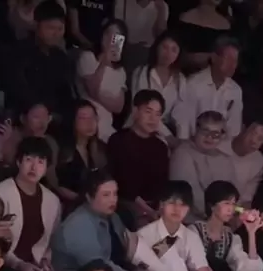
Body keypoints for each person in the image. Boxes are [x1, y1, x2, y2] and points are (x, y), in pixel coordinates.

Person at [135, 179, 213, 271]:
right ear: (161, 204)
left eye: (183, 204)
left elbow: (202, 269)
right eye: (172, 203)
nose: (177, 209)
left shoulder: (191, 236)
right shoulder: (145, 235)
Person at [0, 136, 61, 271]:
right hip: (4, 266)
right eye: (29, 160)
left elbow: (50, 242)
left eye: (40, 162)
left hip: (35, 268)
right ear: (19, 162)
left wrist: (45, 261)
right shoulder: (0, 193)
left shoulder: (52, 201)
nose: (34, 167)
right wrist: (18, 265)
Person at [51, 169, 134, 271]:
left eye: (115, 193)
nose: (113, 200)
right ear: (89, 197)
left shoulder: (112, 216)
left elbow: (128, 244)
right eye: (106, 195)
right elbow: (100, 267)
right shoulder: (78, 225)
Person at [106, 89, 169, 224]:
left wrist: (159, 209)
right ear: (135, 111)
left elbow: (163, 184)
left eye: (157, 114)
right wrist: (149, 211)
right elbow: (123, 184)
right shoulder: (118, 140)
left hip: (155, 207)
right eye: (148, 112)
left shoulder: (161, 146)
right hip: (126, 205)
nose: (153, 119)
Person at [9, 0, 76, 117]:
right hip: (28, 115)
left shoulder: (62, 58)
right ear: (37, 25)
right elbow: (18, 90)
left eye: (60, 29)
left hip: (56, 117)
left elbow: (66, 93)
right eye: (51, 28)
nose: (56, 34)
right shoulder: (19, 52)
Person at [191, 180, 263, 271]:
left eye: (233, 204)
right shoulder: (194, 231)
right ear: (212, 206)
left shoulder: (230, 238)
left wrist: (251, 233)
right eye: (226, 203)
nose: (231, 209)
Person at [169, 110, 237, 218]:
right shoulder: (182, 153)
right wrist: (217, 213)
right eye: (205, 131)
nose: (209, 137)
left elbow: (233, 196)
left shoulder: (225, 160)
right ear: (196, 129)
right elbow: (189, 196)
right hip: (189, 220)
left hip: (221, 219)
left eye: (215, 134)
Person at [175, 36, 242, 141]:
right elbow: (184, 124)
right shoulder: (193, 84)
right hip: (193, 143)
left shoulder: (235, 90)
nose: (232, 65)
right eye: (228, 59)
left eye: (235, 60)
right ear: (214, 58)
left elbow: (233, 130)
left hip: (220, 145)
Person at [130, 31, 186, 146]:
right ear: (157, 48)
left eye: (174, 50)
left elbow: (181, 113)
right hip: (141, 127)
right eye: (165, 47)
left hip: (168, 129)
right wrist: (168, 137)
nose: (168, 53)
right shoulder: (141, 73)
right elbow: (142, 109)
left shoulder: (180, 79)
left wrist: (181, 139)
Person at [76, 19, 128, 143]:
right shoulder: (88, 57)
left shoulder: (120, 71)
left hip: (107, 123)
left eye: (116, 36)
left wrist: (99, 97)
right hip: (87, 119)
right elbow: (92, 90)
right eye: (107, 33)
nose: (110, 38)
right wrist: (104, 63)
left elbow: (119, 107)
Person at [54, 100, 107, 211]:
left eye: (93, 118)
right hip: (69, 207)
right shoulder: (61, 149)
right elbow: (58, 186)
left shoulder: (100, 148)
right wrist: (83, 200)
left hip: (97, 204)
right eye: (83, 118)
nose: (90, 123)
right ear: (72, 121)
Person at [0, 101, 59, 185]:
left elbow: (51, 177)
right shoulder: (10, 137)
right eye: (36, 117)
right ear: (23, 119)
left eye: (45, 118)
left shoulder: (50, 143)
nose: (42, 123)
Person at [177, 0, 232, 74]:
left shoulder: (225, 26)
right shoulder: (185, 19)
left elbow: (226, 58)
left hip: (211, 76)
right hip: (184, 74)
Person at [228, 122, 263, 208]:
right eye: (252, 134)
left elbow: (246, 200)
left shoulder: (259, 162)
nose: (254, 141)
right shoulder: (219, 146)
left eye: (260, 139)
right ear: (243, 129)